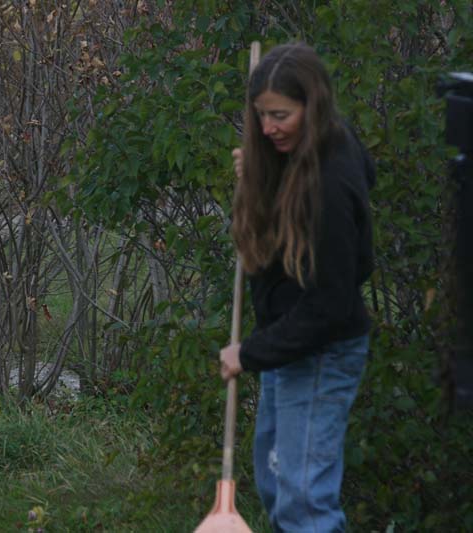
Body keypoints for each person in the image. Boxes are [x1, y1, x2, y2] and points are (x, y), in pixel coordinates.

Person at [219, 43, 375, 532]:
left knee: (305, 501)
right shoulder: (303, 156)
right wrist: (260, 178)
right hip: (291, 346)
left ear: (314, 105)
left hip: (322, 353)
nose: (268, 128)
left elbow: (330, 303)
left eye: (281, 115)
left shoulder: (330, 185)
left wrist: (250, 353)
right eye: (261, 115)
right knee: (277, 485)